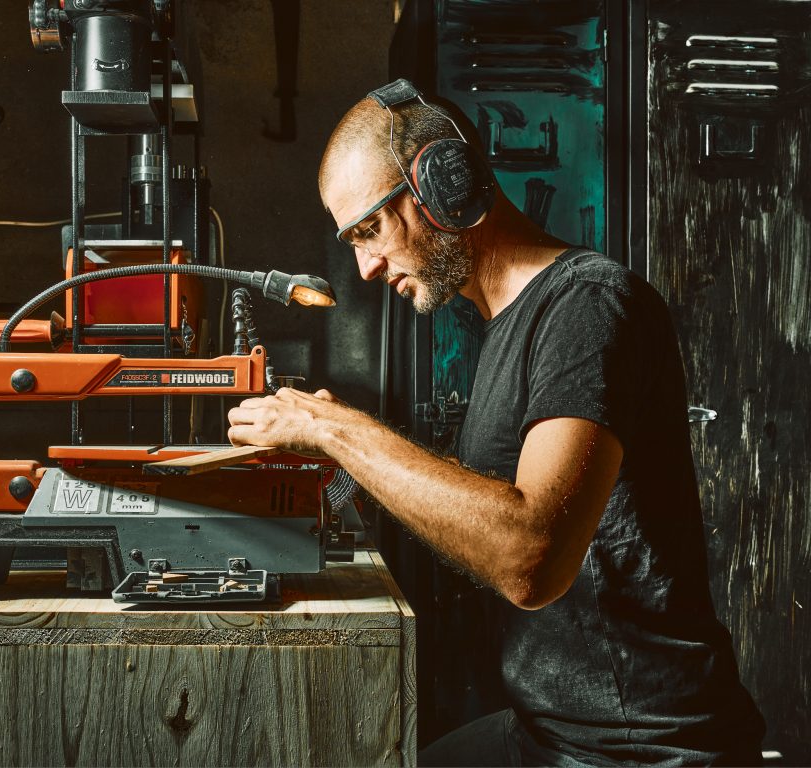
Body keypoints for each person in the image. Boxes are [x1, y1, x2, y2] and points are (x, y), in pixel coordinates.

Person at [226, 79, 765, 766]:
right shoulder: (505, 326)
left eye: (369, 229)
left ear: (444, 184)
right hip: (549, 729)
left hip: (642, 748)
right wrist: (346, 456)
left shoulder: (588, 306)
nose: (363, 267)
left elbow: (529, 557)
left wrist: (338, 431)